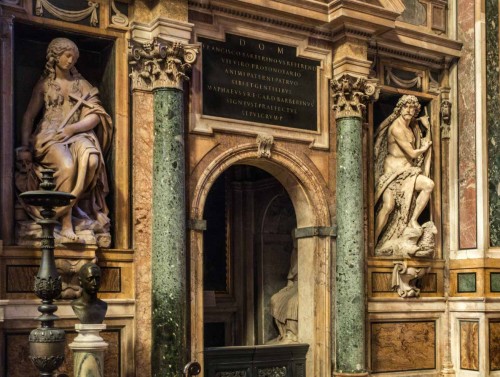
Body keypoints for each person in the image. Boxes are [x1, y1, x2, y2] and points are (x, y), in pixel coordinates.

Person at [18, 38, 112, 242]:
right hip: (49, 135)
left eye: (74, 57)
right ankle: (67, 222)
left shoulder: (83, 85)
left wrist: (73, 128)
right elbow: (29, 116)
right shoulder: (45, 85)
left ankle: (63, 210)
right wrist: (25, 145)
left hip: (76, 132)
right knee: (68, 166)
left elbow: (96, 115)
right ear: (55, 56)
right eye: (67, 55)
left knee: (93, 159)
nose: (70, 60)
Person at [374, 95, 434, 254]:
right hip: (393, 174)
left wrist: (427, 130)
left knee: (429, 185)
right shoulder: (396, 128)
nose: (409, 110)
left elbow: (424, 146)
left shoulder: (411, 127)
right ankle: (372, 243)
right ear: (399, 108)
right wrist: (424, 148)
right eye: (406, 107)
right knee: (388, 207)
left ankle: (413, 219)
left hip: (408, 172)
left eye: (412, 108)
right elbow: (414, 153)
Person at [269, 240, 298, 344]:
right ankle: (283, 333)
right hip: (294, 286)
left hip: (306, 286)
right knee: (275, 299)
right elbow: (291, 276)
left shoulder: (306, 250)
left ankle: (292, 333)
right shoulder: (294, 254)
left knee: (293, 302)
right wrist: (288, 287)